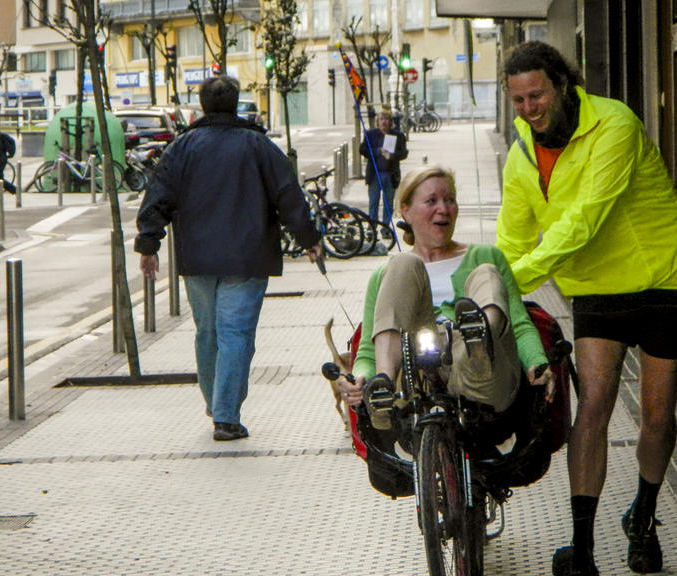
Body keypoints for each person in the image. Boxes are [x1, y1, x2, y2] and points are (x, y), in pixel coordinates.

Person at [496, 41, 677, 576]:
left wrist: (516, 279)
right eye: (517, 99)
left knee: (656, 416)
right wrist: (491, 283)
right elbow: (513, 236)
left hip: (662, 277)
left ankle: (643, 513)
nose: (528, 107)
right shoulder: (521, 154)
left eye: (536, 94)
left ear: (563, 85)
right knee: (593, 407)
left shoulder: (615, 124)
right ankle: (583, 546)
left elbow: (586, 218)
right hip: (594, 287)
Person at [135, 76, 322, 441]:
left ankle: (216, 402)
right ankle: (226, 414)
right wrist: (309, 238)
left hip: (198, 259)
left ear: (202, 105)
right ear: (236, 103)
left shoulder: (182, 147)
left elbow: (158, 195)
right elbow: (288, 194)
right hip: (248, 258)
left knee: (209, 333)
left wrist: (148, 245)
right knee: (235, 334)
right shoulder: (258, 145)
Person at [336, 165, 554, 457]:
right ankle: (384, 387)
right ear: (406, 212)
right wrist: (359, 378)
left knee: (486, 271)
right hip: (416, 379)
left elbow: (518, 323)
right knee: (400, 264)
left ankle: (480, 341)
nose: (444, 209)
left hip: (482, 380)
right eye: (432, 201)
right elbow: (366, 350)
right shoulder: (385, 276)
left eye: (450, 200)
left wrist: (537, 362)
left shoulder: (484, 255)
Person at [360, 109, 408, 225]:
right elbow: (362, 150)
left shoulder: (398, 135)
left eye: (386, 119)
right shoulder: (370, 135)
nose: (383, 122)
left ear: (391, 122)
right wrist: (377, 151)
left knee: (388, 203)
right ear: (377, 122)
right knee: (373, 202)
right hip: (375, 174)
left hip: (390, 174)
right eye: (381, 119)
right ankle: (372, 227)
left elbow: (404, 153)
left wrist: (392, 156)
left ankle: (385, 227)